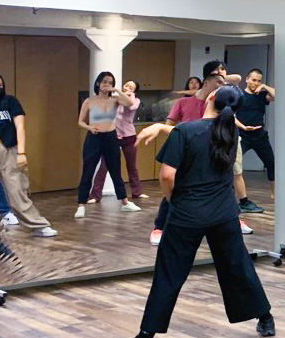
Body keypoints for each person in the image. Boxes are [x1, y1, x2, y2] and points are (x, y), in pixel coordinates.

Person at [116, 85, 274, 338]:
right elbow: (201, 130)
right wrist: (162, 129)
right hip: (224, 213)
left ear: (211, 98)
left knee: (169, 274)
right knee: (237, 266)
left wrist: (173, 199)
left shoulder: (185, 132)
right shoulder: (231, 132)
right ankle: (265, 318)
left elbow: (167, 175)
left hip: (188, 213)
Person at [138, 61, 251, 245]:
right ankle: (159, 227)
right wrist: (160, 127)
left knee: (223, 185)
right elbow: (176, 130)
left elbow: (234, 82)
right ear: (207, 82)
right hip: (189, 151)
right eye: (218, 82)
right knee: (179, 186)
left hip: (213, 151)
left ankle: (233, 219)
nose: (222, 86)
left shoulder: (220, 106)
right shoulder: (184, 103)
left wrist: (220, 78)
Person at [0, 72, 57, 237]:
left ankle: (38, 225)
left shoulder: (10, 102)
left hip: (10, 150)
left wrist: (21, 152)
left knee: (17, 192)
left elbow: (20, 127)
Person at [74, 72, 141, 219]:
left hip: (111, 137)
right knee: (88, 171)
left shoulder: (115, 100)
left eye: (110, 83)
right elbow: (80, 121)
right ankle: (81, 205)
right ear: (98, 83)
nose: (107, 85)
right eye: (104, 82)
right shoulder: (89, 101)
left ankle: (124, 202)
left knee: (115, 170)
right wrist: (90, 128)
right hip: (94, 138)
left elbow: (130, 103)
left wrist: (117, 90)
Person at [88, 79, 146, 202]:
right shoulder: (115, 99)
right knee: (104, 166)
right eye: (126, 85)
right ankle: (95, 195)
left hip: (129, 136)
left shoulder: (135, 100)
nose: (127, 87)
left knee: (131, 166)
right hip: (113, 136)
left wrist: (128, 94)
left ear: (135, 91)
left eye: (131, 87)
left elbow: (131, 105)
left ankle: (137, 192)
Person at [238, 69, 277, 191]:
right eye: (253, 80)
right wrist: (243, 127)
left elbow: (277, 95)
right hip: (242, 135)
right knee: (233, 164)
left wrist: (264, 86)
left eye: (259, 81)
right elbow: (231, 115)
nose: (255, 83)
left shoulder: (261, 95)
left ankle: (274, 192)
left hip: (260, 136)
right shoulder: (239, 95)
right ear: (247, 79)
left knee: (271, 163)